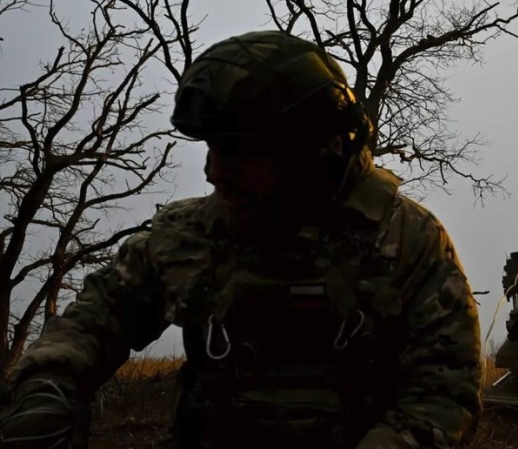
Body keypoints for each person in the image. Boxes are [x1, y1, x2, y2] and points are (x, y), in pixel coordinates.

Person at [0, 31, 483, 448]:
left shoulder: (407, 240)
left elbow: (441, 398)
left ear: (314, 151)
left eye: (239, 151)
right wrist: (46, 390)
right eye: (213, 148)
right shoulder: (190, 233)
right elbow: (96, 317)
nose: (214, 172)